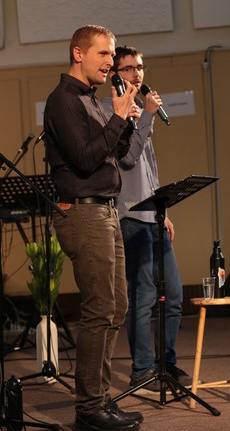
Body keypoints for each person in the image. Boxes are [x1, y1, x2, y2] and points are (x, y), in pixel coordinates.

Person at [44, 25, 143, 431]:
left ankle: (99, 399)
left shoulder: (92, 100)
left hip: (105, 212)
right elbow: (85, 160)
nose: (110, 62)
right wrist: (116, 118)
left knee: (116, 307)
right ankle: (88, 409)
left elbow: (114, 154)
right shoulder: (63, 101)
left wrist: (127, 121)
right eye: (103, 54)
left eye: (112, 54)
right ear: (78, 53)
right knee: (99, 308)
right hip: (83, 214)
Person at [102, 45, 191, 392]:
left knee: (174, 295)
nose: (137, 74)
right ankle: (142, 369)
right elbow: (126, 160)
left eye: (140, 67)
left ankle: (165, 364)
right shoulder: (113, 111)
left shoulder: (140, 110)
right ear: (114, 74)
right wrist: (148, 117)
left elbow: (147, 168)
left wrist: (162, 211)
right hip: (130, 217)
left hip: (153, 215)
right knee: (142, 297)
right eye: (128, 68)